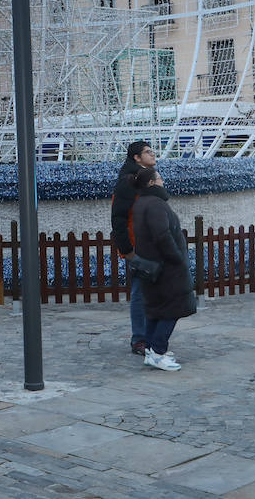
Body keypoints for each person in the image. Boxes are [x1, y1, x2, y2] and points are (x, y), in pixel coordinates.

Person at [129, 167, 196, 371]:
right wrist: (176, 257)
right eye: (159, 179)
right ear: (151, 183)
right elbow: (162, 235)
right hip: (167, 267)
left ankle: (151, 350)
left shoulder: (141, 203)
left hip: (153, 266)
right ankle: (158, 351)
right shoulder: (156, 205)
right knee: (172, 309)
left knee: (155, 309)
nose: (163, 182)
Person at [110, 141, 154, 356]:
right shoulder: (129, 181)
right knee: (139, 292)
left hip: (150, 244)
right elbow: (118, 218)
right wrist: (128, 250)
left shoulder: (144, 178)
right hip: (138, 247)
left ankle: (149, 337)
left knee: (151, 291)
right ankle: (140, 339)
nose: (153, 154)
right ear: (136, 157)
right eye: (148, 152)